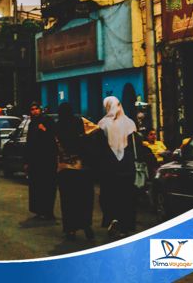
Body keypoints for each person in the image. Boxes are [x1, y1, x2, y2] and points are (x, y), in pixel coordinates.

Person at [96, 96, 144, 238]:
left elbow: (99, 149)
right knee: (127, 197)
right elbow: (137, 147)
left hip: (109, 168)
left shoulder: (102, 124)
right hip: (127, 166)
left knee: (110, 196)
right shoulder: (130, 124)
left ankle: (113, 220)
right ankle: (125, 225)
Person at [56, 102, 94, 241]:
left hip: (64, 168)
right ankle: (85, 225)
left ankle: (70, 229)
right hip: (80, 168)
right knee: (83, 199)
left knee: (68, 200)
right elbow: (95, 131)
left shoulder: (58, 125)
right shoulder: (79, 122)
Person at [23, 102, 57, 220]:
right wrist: (26, 161)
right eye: (32, 109)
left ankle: (48, 211)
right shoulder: (32, 123)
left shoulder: (47, 121)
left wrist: (45, 130)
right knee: (36, 186)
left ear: (40, 109)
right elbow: (29, 142)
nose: (35, 111)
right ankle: (38, 210)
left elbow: (54, 136)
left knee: (47, 186)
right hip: (35, 160)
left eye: (36, 109)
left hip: (47, 159)